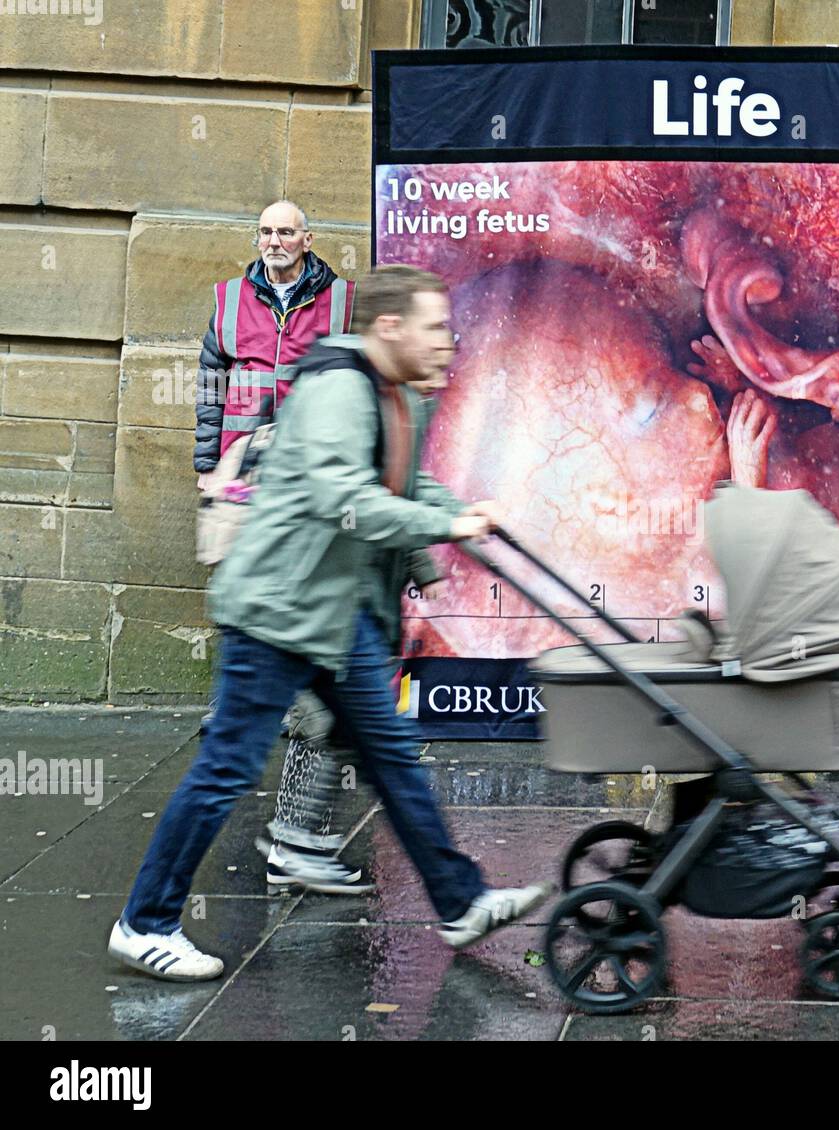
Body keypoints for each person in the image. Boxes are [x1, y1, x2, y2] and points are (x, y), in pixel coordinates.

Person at [110, 265, 549, 981]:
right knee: (226, 768)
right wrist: (444, 522)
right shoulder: (339, 388)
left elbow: (404, 488)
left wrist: (453, 529)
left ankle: (460, 899)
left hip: (335, 612)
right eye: (434, 327)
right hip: (277, 610)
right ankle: (145, 922)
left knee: (392, 756)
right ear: (389, 328)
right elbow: (345, 498)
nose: (448, 341)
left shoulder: (399, 393)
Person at [192, 199, 440, 892]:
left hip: (301, 489)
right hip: (247, 482)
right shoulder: (227, 300)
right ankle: (285, 824)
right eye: (265, 231)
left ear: (307, 239)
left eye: (286, 231)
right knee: (274, 641)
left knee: (314, 683)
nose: (274, 241)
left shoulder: (339, 306)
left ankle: (286, 797)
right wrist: (209, 461)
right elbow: (210, 385)